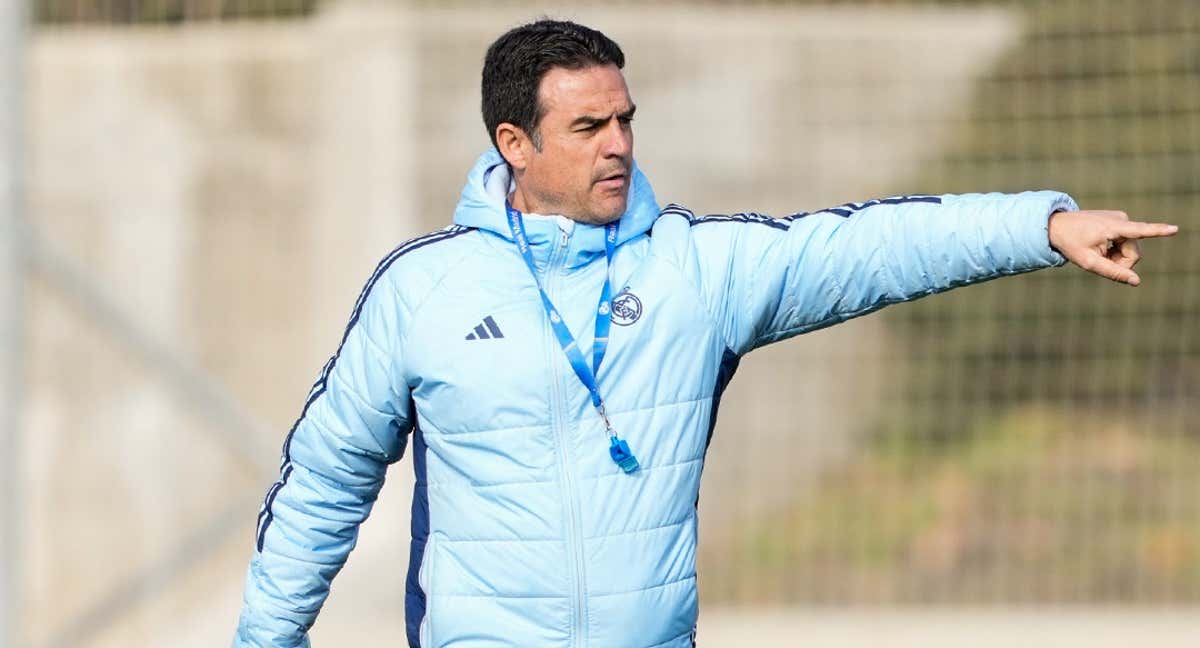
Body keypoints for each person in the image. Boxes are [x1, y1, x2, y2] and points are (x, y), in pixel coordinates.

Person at [232, 18, 1179, 648]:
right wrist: (267, 638)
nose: (619, 143)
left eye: (626, 120)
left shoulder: (696, 269)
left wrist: (1039, 227)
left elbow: (866, 247)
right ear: (512, 145)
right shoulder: (421, 288)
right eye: (588, 125)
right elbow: (325, 477)